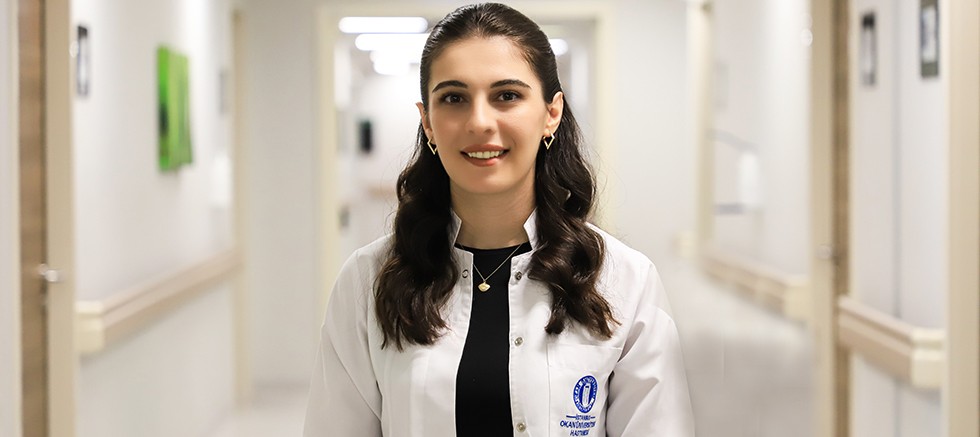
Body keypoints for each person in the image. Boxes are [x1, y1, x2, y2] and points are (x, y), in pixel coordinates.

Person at [304, 3, 694, 436]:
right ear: (428, 121)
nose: (479, 122)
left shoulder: (623, 281)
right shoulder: (368, 281)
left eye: (507, 95)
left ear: (551, 113)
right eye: (454, 98)